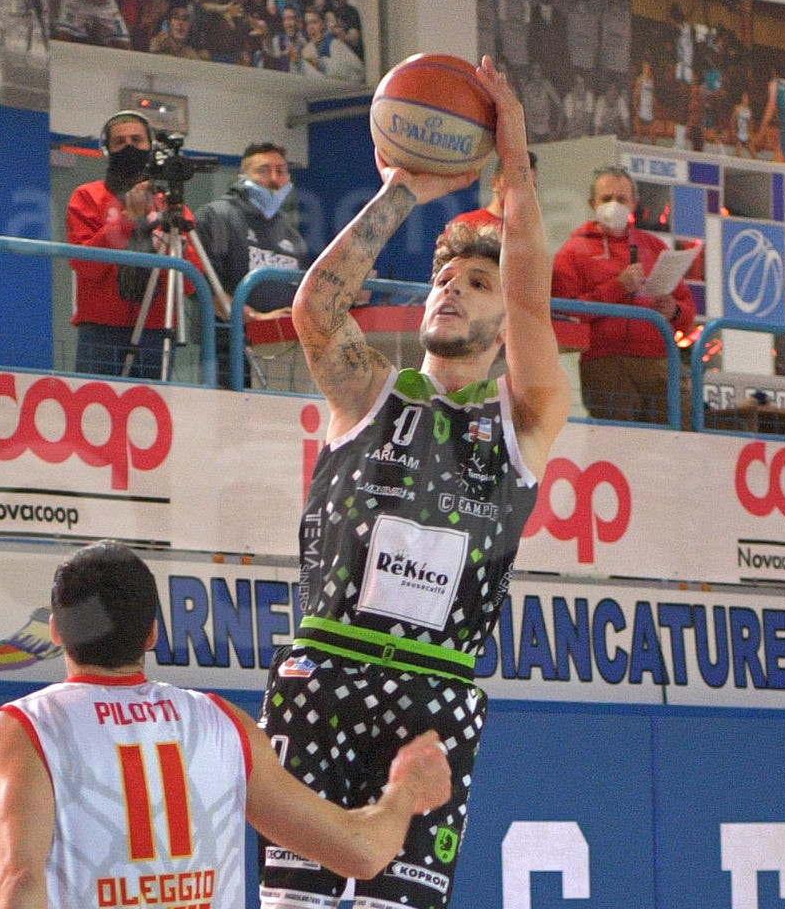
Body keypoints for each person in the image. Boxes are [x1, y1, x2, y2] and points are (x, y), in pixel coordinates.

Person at [258, 57, 571, 909]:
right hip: (325, 670)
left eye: (476, 283)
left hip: (435, 688)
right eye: (441, 279)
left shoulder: (523, 420)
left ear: (502, 325)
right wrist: (401, 189)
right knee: (292, 904)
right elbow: (315, 309)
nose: (449, 291)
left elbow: (533, 296)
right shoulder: (367, 392)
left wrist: (513, 161)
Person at [0, 541, 451, 909]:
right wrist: (406, 787)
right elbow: (361, 853)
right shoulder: (223, 725)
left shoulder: (26, 728)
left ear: (57, 631)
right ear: (152, 634)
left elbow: (20, 881)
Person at [551, 165, 697, 423]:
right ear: (592, 203)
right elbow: (565, 313)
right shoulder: (571, 252)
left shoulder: (654, 247)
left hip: (659, 362)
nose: (614, 206)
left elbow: (688, 310)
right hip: (605, 363)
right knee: (617, 439)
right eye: (606, 199)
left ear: (633, 204)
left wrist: (674, 310)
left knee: (678, 434)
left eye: (621, 199)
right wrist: (618, 286)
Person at [66, 110, 196, 378]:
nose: (129, 148)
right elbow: (84, 265)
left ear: (150, 147)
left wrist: (177, 243)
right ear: (107, 149)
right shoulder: (87, 197)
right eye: (120, 142)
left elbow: (191, 282)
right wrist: (127, 219)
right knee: (96, 403)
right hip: (101, 329)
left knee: (154, 404)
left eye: (137, 140)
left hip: (157, 330)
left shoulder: (172, 206)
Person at [193, 142, 308, 388]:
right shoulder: (216, 217)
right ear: (242, 177)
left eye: (281, 171)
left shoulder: (291, 233)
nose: (274, 179)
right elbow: (204, 288)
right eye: (263, 170)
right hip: (228, 352)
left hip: (283, 354)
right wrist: (257, 318)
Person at [443, 150, 539, 232]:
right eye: (514, 182)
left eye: (530, 186)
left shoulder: (530, 231)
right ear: (495, 183)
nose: (521, 191)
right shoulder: (466, 225)